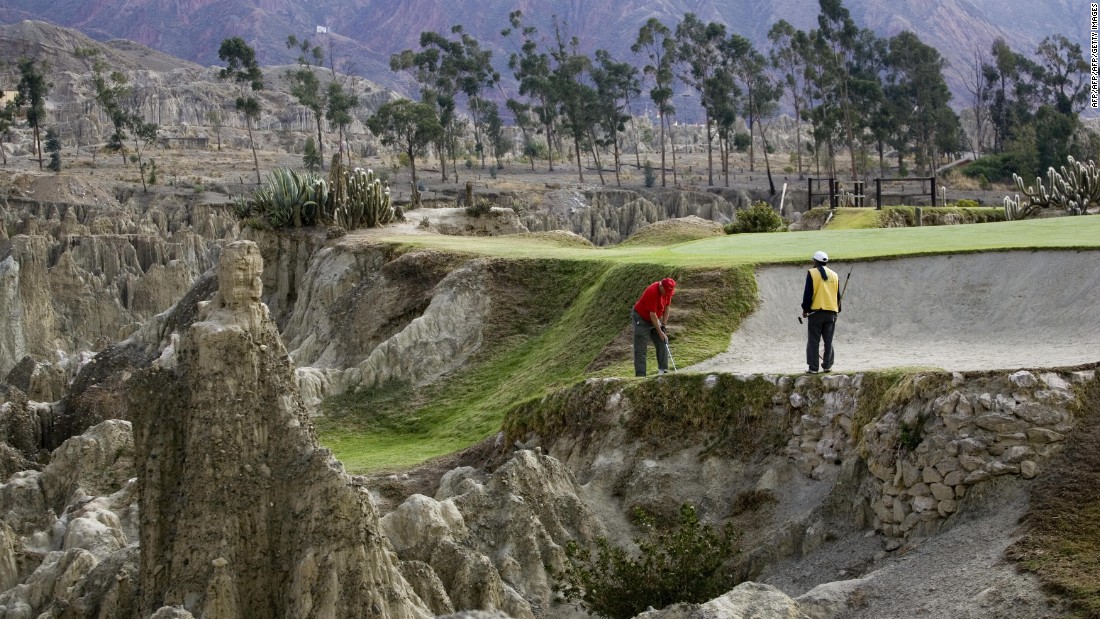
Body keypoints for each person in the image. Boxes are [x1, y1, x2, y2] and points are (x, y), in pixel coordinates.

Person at [801, 251, 840, 374]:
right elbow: (837, 296)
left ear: (815, 261)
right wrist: (837, 311)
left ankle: (813, 368)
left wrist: (805, 309)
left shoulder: (812, 273)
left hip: (816, 313)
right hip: (831, 313)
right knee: (828, 341)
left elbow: (808, 294)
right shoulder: (834, 275)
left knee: (813, 341)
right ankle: (827, 366)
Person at [632, 277, 676, 376]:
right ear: (661, 286)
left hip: (654, 318)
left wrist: (663, 325)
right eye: (666, 291)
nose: (667, 294)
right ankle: (640, 376)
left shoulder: (667, 292)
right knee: (641, 348)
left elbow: (667, 307)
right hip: (642, 319)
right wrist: (660, 332)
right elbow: (653, 315)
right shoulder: (652, 291)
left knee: (662, 341)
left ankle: (663, 370)